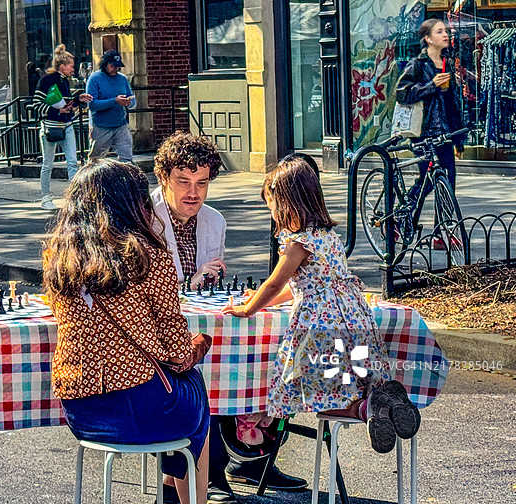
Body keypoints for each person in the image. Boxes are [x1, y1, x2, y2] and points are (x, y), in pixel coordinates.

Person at [223, 155, 420, 455]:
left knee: (321, 388)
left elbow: (276, 283)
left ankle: (367, 408)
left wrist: (247, 309)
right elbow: (298, 287)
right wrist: (262, 301)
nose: (273, 215)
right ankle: (385, 400)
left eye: (273, 207)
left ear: (287, 203)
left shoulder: (298, 243)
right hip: (352, 317)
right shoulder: (328, 236)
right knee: (346, 378)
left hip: (319, 323)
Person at [44, 159, 210, 504]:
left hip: (80, 412)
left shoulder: (59, 257)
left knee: (179, 392)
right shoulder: (149, 256)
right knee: (195, 386)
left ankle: (171, 490)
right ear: (134, 203)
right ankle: (189, 497)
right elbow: (178, 353)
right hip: (141, 407)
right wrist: (198, 346)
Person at [152, 132, 306, 503]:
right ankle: (209, 473)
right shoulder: (144, 217)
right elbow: (148, 290)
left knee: (258, 359)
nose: (194, 192)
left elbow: (210, 285)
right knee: (199, 380)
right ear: (164, 179)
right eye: (183, 182)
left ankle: (251, 456)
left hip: (203, 325)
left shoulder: (215, 220)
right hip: (163, 332)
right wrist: (190, 281)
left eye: (202, 183)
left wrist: (205, 282)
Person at [396, 19, 464, 248]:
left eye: (446, 31)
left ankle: (440, 233)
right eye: (440, 31)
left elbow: (452, 103)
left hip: (444, 132)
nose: (446, 34)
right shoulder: (417, 64)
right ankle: (400, 217)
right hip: (423, 134)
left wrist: (458, 138)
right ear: (428, 38)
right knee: (427, 181)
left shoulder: (447, 63)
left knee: (447, 183)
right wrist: (430, 85)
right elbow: (402, 93)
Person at [32, 44, 92, 210]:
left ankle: (74, 198)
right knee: (48, 164)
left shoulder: (64, 81)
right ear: (62, 66)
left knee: (72, 162)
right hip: (50, 127)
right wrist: (56, 110)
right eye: (71, 66)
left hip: (67, 125)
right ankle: (45, 197)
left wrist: (78, 99)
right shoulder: (46, 80)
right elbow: (36, 103)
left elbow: (66, 102)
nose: (73, 69)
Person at [85, 49, 136, 162]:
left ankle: (126, 178)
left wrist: (129, 102)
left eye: (118, 66)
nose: (115, 69)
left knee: (127, 157)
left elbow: (132, 99)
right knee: (96, 160)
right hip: (101, 126)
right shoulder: (94, 78)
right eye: (112, 66)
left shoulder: (122, 79)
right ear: (105, 64)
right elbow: (92, 105)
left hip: (120, 125)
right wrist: (114, 101)